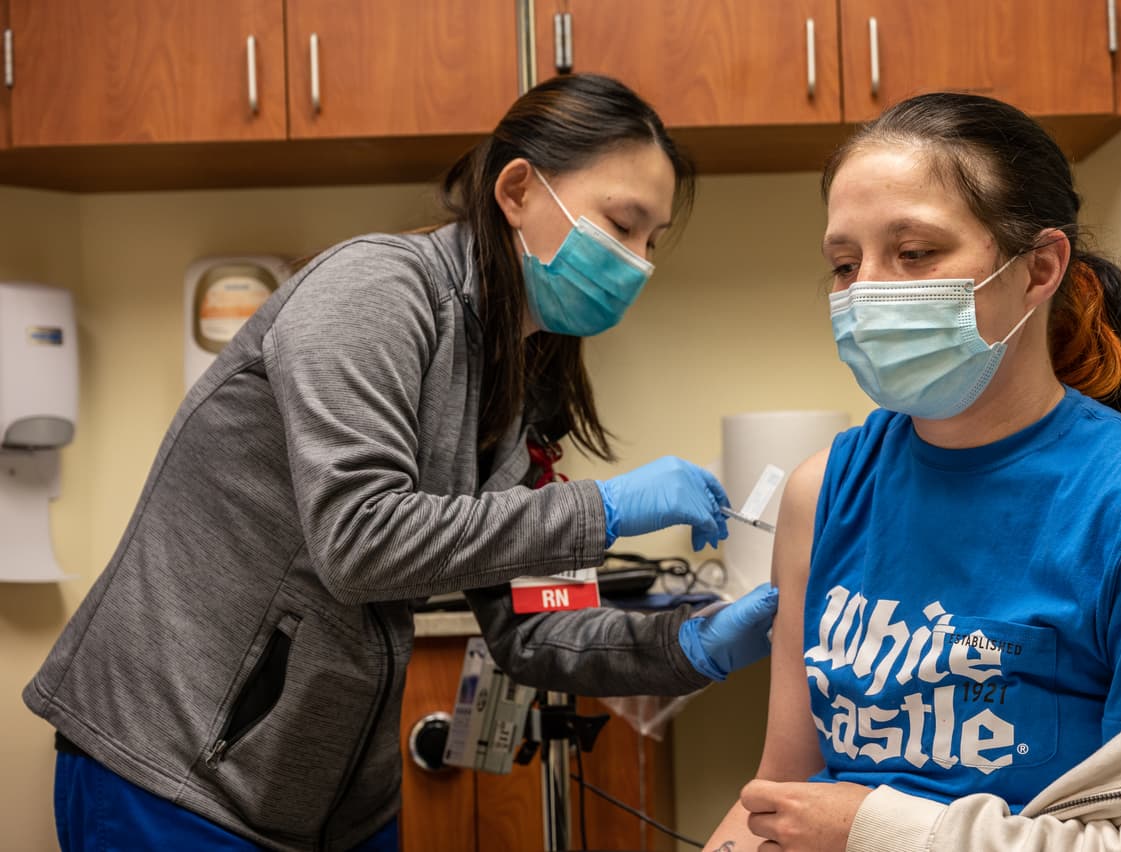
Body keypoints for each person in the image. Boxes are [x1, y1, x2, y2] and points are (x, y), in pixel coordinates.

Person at [24, 73, 777, 852]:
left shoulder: (517, 373)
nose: (637, 263)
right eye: (623, 225)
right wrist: (605, 509)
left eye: (652, 240)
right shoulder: (374, 289)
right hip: (173, 766)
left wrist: (688, 645)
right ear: (517, 189)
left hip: (335, 798)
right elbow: (360, 541)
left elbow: (527, 627)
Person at [705, 92, 1121, 851]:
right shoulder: (825, 490)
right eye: (845, 264)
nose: (867, 290)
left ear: (1038, 269)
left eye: (914, 254)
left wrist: (879, 829)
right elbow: (777, 795)